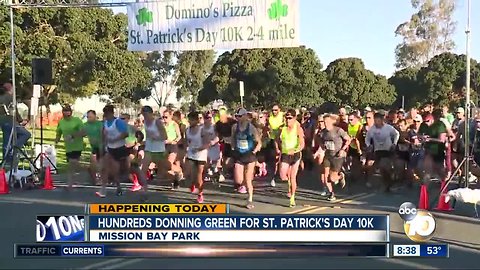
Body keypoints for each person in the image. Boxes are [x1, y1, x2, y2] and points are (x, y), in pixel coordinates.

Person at [96, 105, 130, 198]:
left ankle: (119, 187)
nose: (106, 115)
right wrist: (102, 145)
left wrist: (115, 139)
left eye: (107, 113)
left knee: (116, 171)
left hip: (119, 149)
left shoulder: (118, 122)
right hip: (110, 149)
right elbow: (104, 135)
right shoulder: (105, 123)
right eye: (104, 113)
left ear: (111, 113)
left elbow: (125, 133)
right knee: (104, 168)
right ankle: (103, 189)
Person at [315, 114, 350, 201]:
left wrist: (343, 149)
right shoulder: (323, 132)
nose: (325, 123)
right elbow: (318, 138)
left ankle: (340, 176)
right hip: (328, 156)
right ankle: (331, 193)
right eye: (324, 122)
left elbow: (348, 139)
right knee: (325, 176)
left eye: (327, 121)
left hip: (337, 156)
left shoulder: (338, 130)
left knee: (332, 178)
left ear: (331, 121)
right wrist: (321, 145)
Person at [232, 108, 261, 209]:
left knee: (248, 180)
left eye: (240, 116)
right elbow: (233, 140)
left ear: (245, 116)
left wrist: (254, 151)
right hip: (239, 155)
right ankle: (243, 185)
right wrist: (234, 149)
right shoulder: (234, 127)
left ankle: (250, 200)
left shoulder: (251, 127)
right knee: (239, 180)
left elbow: (259, 142)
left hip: (249, 155)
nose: (238, 118)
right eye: (237, 116)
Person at [276, 109, 305, 207]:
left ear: (294, 118)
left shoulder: (298, 129)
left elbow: (302, 144)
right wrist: (278, 148)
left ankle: (292, 197)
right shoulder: (281, 128)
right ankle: (289, 186)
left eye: (290, 118)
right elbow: (277, 139)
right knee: (282, 175)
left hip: (295, 155)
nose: (288, 120)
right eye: (286, 118)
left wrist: (296, 150)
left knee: (293, 177)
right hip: (285, 154)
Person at [365, 113, 400, 192]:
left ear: (382, 120)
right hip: (378, 150)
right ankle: (387, 183)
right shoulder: (372, 129)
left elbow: (396, 134)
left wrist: (394, 143)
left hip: (387, 149)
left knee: (384, 166)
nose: (376, 122)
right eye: (375, 120)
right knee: (381, 168)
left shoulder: (388, 128)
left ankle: (389, 182)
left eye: (378, 120)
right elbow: (367, 138)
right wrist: (369, 145)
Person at [54, 105, 84, 190]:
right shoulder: (61, 122)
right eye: (65, 111)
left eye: (68, 111)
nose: (67, 113)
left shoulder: (77, 121)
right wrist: (56, 141)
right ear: (62, 112)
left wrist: (72, 136)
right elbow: (59, 132)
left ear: (71, 112)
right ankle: (78, 176)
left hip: (77, 146)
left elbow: (83, 132)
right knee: (74, 165)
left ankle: (70, 185)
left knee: (72, 164)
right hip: (68, 147)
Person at [0, 81, 31, 160]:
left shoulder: (1, 97)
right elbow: (15, 111)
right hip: (10, 121)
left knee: (6, 141)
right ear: (10, 89)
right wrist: (20, 120)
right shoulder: (11, 98)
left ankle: (6, 160)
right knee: (26, 134)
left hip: (3, 121)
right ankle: (15, 149)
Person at [185, 112, 210, 203]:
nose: (189, 121)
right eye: (189, 119)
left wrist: (200, 148)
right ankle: (192, 183)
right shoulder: (187, 130)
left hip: (201, 155)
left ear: (196, 120)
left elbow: (207, 143)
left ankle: (200, 194)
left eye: (191, 120)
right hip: (191, 154)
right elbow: (186, 142)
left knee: (199, 176)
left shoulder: (201, 130)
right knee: (189, 173)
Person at [78, 110, 103, 185]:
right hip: (94, 147)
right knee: (92, 162)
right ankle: (95, 180)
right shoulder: (86, 125)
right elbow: (81, 133)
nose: (89, 119)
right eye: (88, 117)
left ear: (95, 116)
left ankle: (103, 178)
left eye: (91, 117)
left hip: (102, 146)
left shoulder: (100, 124)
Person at [268, 104, 284, 187]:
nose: (274, 112)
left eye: (276, 110)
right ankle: (273, 176)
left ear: (279, 110)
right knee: (275, 158)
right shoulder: (271, 119)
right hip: (275, 140)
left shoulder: (283, 115)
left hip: (285, 139)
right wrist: (277, 146)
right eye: (273, 110)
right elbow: (273, 135)